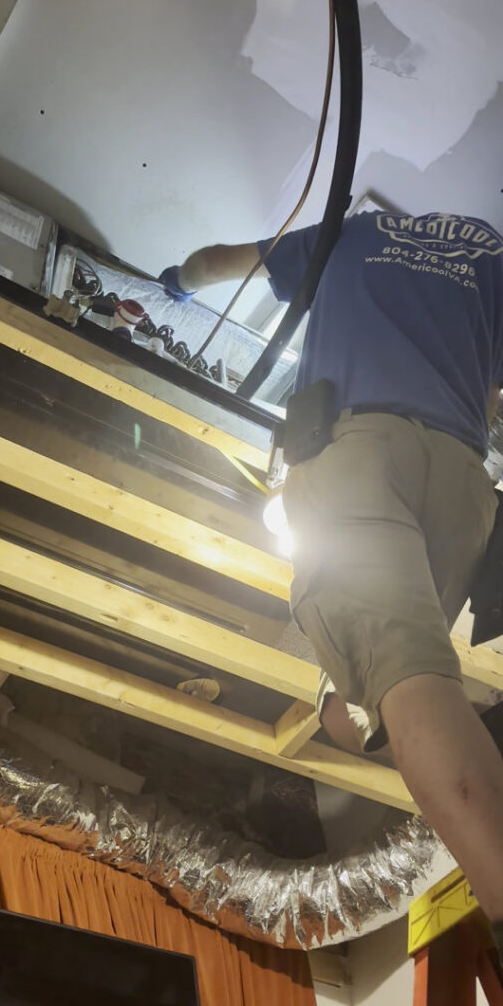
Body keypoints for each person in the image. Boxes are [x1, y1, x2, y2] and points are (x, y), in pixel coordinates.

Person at [160, 209, 503, 958]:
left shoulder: (355, 229)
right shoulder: (492, 256)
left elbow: (224, 258)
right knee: (401, 690)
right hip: (459, 477)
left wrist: (178, 280)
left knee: (404, 690)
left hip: (360, 452)